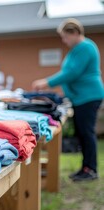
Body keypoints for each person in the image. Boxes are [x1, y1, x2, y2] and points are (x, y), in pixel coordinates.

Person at [32, 18, 104, 181]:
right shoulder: (77, 49)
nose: (64, 41)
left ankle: (91, 170)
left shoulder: (85, 47)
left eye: (65, 37)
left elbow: (72, 73)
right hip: (80, 98)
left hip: (88, 96)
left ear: (75, 33)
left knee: (87, 133)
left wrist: (46, 83)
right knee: (82, 133)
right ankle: (85, 168)